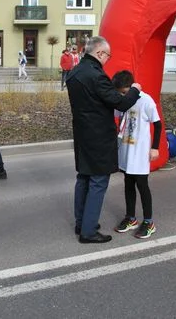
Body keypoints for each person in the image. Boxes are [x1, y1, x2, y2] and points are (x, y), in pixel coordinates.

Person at [66, 36, 141, 244]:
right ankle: (88, 232)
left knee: (83, 178)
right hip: (98, 136)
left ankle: (82, 222)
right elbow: (121, 103)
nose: (108, 59)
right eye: (108, 55)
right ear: (99, 53)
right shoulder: (97, 76)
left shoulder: (74, 72)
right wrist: (135, 89)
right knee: (98, 181)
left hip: (82, 134)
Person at [111, 70, 162, 239]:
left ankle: (149, 221)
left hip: (139, 151)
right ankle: (131, 217)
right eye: (120, 93)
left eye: (124, 92)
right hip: (126, 149)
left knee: (142, 185)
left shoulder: (146, 101)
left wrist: (155, 148)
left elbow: (158, 124)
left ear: (131, 87)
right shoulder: (122, 101)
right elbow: (117, 116)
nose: (122, 96)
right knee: (128, 183)